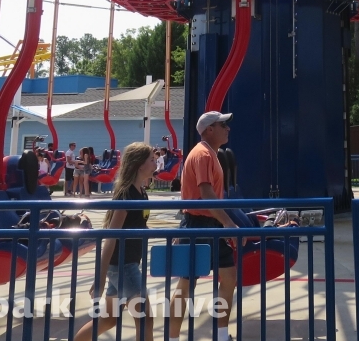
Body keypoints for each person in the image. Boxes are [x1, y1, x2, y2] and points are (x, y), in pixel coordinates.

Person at [74, 142, 157, 341]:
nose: (156, 163)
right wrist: (100, 277)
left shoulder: (141, 193)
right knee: (145, 317)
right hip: (123, 266)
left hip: (125, 265)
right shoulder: (126, 194)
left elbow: (138, 224)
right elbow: (111, 236)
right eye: (152, 160)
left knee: (109, 319)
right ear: (139, 165)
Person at [168, 112, 239, 341]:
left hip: (210, 224)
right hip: (198, 225)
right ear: (210, 129)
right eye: (223, 125)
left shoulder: (211, 154)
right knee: (186, 285)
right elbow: (205, 193)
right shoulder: (203, 155)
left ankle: (220, 334)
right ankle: (173, 336)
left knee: (228, 277)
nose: (227, 128)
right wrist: (228, 223)